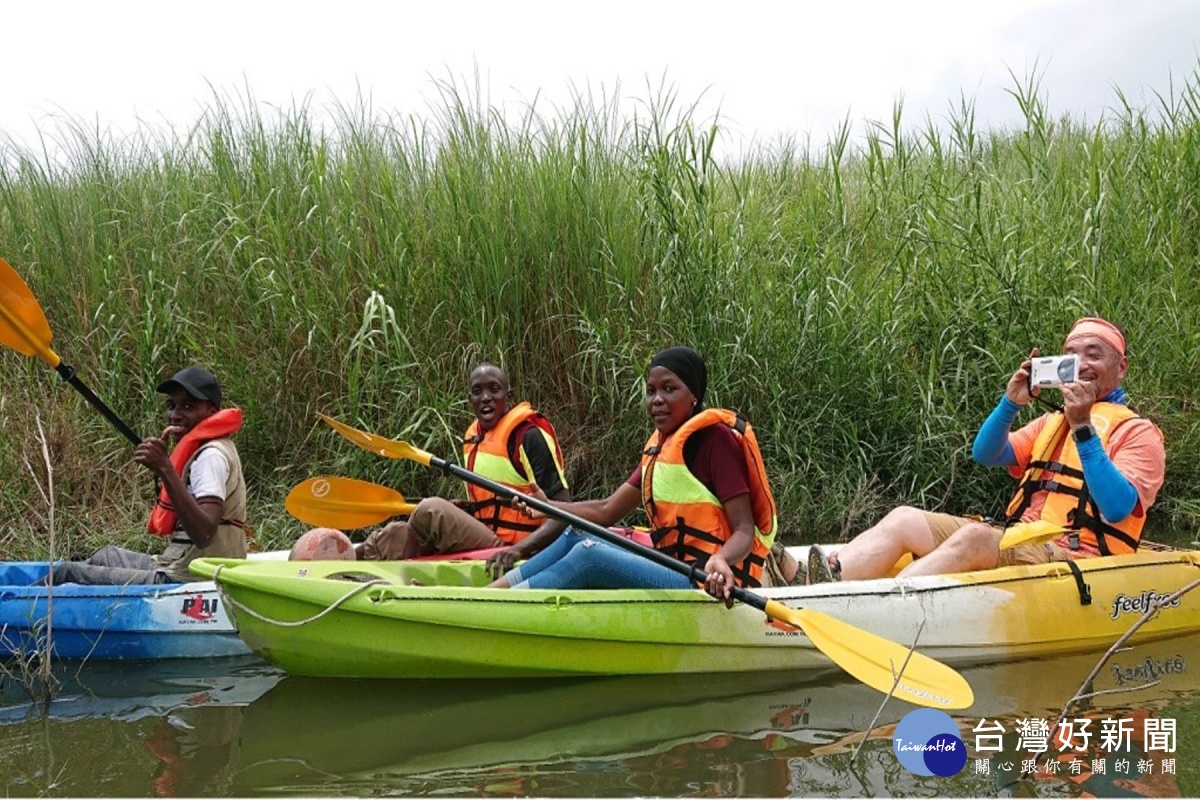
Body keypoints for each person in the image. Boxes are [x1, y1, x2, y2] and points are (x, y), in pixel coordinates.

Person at [810, 317, 1166, 583]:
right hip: (1021, 538)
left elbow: (1118, 509)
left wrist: (1083, 427)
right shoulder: (1051, 423)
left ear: (1121, 368)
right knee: (904, 518)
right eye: (1071, 355)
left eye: (1093, 355)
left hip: (1079, 556)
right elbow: (986, 453)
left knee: (978, 537)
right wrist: (1010, 404)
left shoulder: (1138, 433)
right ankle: (822, 584)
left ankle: (877, 605)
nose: (1081, 364)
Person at [487, 346, 779, 603]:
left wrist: (722, 559)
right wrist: (545, 507)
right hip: (670, 566)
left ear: (693, 395)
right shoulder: (660, 449)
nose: (657, 400)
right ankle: (491, 595)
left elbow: (744, 528)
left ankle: (497, 609)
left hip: (706, 580)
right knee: (577, 531)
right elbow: (606, 510)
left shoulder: (716, 441)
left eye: (669, 389)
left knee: (589, 555)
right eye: (651, 391)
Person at [312, 362, 572, 561]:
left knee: (430, 510)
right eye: (477, 392)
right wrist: (469, 509)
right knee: (398, 530)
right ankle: (344, 559)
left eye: (494, 390)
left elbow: (564, 509)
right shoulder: (475, 438)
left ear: (508, 395)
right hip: (491, 536)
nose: (485, 398)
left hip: (522, 547)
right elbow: (494, 506)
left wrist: (519, 550)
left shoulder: (528, 436)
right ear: (470, 399)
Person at [47, 366, 248, 585]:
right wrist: (165, 470)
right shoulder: (206, 449)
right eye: (171, 406)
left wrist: (165, 468)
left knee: (67, 573)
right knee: (105, 555)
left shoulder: (211, 456)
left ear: (211, 413)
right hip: (179, 563)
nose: (175, 415)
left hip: (191, 576)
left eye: (188, 407)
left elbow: (204, 533)